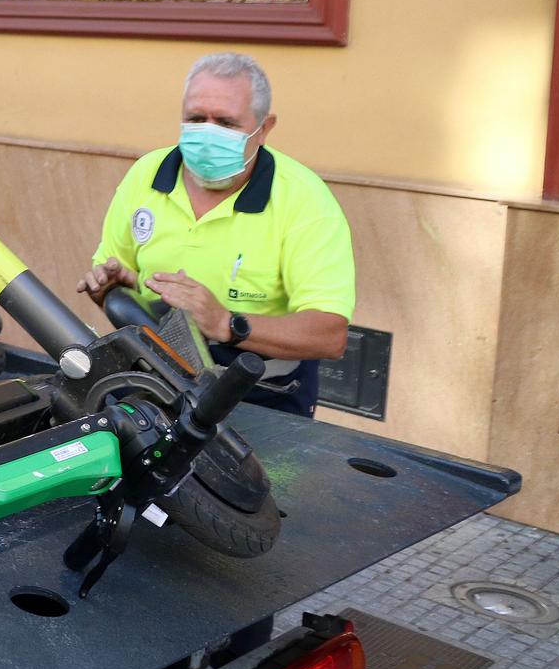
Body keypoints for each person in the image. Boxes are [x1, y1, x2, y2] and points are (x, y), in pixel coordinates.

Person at [77, 52, 354, 416]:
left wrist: (227, 324)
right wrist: (113, 288)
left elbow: (329, 334)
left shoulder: (304, 200)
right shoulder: (146, 175)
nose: (207, 134)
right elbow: (118, 278)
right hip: (153, 379)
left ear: (265, 127)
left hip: (260, 396)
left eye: (225, 123)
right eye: (195, 119)